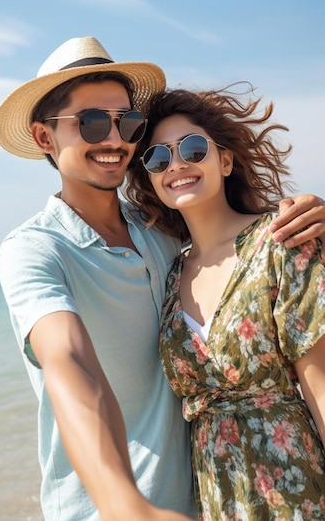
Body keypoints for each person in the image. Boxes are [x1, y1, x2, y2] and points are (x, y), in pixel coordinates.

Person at [0, 37, 325, 521]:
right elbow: (68, 361)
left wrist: (307, 216)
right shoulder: (32, 250)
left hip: (206, 505)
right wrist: (124, 504)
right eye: (89, 122)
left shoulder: (163, 235)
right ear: (45, 138)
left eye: (126, 122)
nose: (114, 140)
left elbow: (233, 243)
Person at [126, 86, 325, 520]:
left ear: (226, 160)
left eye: (193, 149)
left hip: (299, 491)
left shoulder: (282, 240)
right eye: (159, 158)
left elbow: (320, 385)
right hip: (217, 499)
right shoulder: (169, 274)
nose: (177, 164)